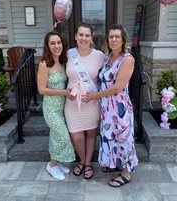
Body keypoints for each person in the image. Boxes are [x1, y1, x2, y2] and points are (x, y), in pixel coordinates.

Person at [82, 24, 138, 187]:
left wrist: (94, 96)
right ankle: (115, 163)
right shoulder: (107, 57)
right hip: (107, 108)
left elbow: (117, 87)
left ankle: (126, 173)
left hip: (119, 109)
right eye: (111, 36)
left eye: (117, 37)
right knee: (109, 137)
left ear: (123, 40)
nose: (113, 39)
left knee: (123, 139)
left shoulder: (127, 59)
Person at [64, 22, 105, 179]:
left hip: (91, 103)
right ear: (75, 36)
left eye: (87, 35)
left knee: (91, 134)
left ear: (91, 38)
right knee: (76, 136)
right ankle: (81, 160)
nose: (83, 38)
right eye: (80, 34)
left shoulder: (100, 56)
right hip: (72, 104)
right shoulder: (68, 54)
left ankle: (87, 164)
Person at [37, 31, 75, 180]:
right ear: (47, 46)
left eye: (59, 42)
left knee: (55, 137)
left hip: (62, 107)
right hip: (51, 108)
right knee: (63, 136)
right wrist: (63, 92)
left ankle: (56, 163)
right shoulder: (44, 64)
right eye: (52, 43)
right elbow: (41, 90)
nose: (56, 46)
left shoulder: (63, 61)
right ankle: (51, 165)